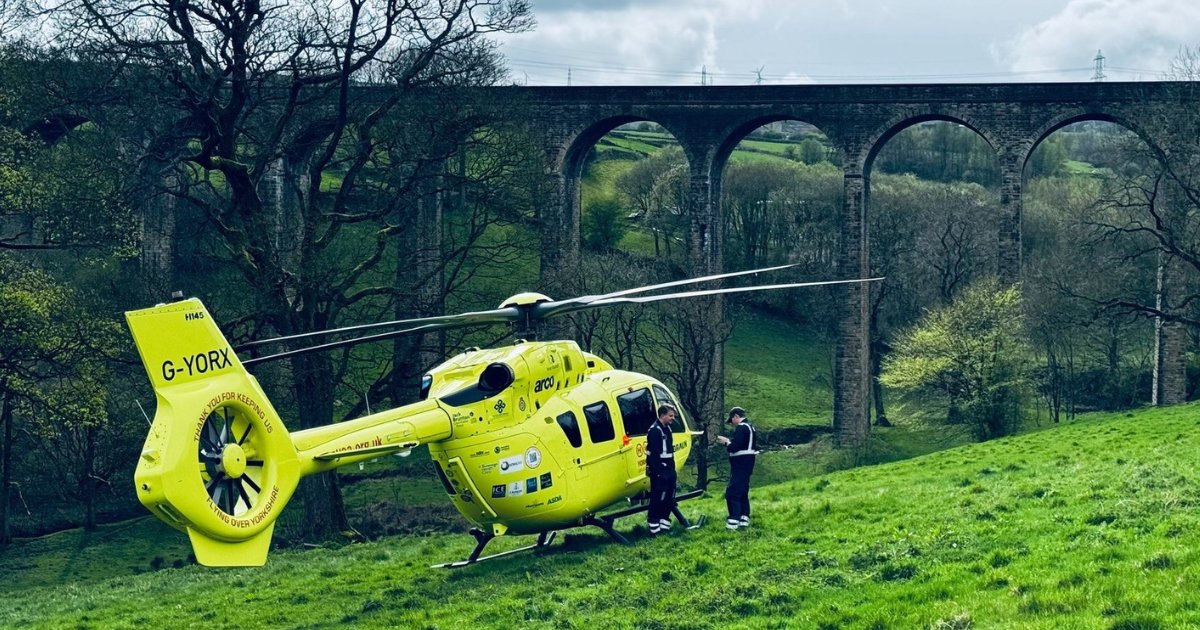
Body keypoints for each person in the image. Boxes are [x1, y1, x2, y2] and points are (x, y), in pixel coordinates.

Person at [716, 406, 757, 530]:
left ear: (736, 417)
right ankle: (744, 518)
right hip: (748, 463)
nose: (732, 424)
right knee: (742, 491)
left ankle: (733, 520)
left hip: (740, 464)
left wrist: (726, 442)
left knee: (732, 493)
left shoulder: (741, 427)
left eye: (732, 421)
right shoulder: (750, 427)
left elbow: (735, 447)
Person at [645, 403, 678, 534]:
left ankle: (664, 524)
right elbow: (654, 455)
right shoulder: (655, 430)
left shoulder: (667, 429)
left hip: (668, 468)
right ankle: (654, 526)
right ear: (662, 415)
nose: (673, 418)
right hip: (660, 470)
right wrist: (659, 472)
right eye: (670, 416)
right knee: (658, 497)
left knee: (669, 497)